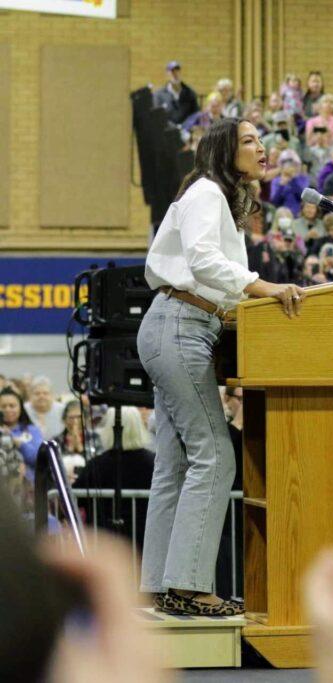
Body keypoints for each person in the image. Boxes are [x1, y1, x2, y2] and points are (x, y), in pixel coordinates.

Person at [138, 118, 306, 616]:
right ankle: (189, 587)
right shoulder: (208, 192)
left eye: (261, 139)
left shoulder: (217, 199)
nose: (261, 147)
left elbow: (211, 274)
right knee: (215, 455)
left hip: (179, 325)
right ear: (224, 150)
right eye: (250, 140)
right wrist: (267, 287)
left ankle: (159, 586)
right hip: (180, 326)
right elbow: (206, 263)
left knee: (175, 463)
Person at [73, 407, 155, 551]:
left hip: (104, 543)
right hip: (145, 542)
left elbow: (75, 497)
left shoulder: (96, 465)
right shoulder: (154, 463)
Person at [0, 387, 43, 480]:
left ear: (20, 408)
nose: (7, 410)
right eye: (3, 406)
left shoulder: (32, 430)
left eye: (12, 406)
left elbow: (39, 459)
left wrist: (17, 441)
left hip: (29, 486)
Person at [153, 60, 199, 125]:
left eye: (177, 71)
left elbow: (195, 114)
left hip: (185, 132)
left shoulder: (190, 93)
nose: (175, 74)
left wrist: (186, 127)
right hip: (166, 132)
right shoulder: (159, 95)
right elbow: (157, 116)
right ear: (167, 74)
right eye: (172, 72)